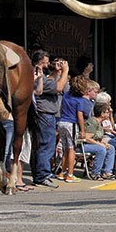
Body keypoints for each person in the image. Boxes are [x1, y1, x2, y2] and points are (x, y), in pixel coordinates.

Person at [30, 49, 68, 188]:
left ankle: (39, 174)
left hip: (44, 114)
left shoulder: (40, 76)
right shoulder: (35, 76)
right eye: (46, 63)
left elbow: (50, 82)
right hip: (44, 114)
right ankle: (42, 175)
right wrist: (65, 71)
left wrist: (57, 73)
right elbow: (58, 87)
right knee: (46, 145)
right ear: (39, 63)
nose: (48, 65)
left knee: (41, 145)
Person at [57, 74, 88, 183]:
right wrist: (82, 130)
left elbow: (61, 108)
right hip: (71, 123)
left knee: (65, 148)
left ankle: (63, 172)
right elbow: (79, 115)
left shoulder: (65, 95)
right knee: (72, 149)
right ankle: (70, 174)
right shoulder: (79, 100)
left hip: (62, 122)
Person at [81, 103, 116, 179]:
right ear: (102, 114)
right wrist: (100, 144)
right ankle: (95, 173)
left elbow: (100, 137)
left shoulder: (100, 123)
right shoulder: (93, 122)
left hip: (94, 144)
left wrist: (105, 143)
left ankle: (107, 172)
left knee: (111, 148)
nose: (109, 114)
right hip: (83, 145)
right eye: (107, 112)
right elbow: (87, 138)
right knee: (101, 149)